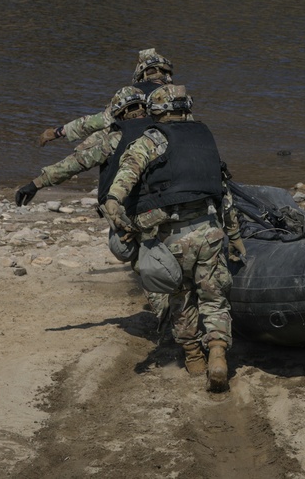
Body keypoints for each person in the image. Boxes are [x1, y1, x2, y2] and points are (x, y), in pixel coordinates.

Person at [101, 84, 237, 392]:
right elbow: (223, 189)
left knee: (180, 297)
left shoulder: (153, 139)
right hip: (210, 231)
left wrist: (113, 199)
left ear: (156, 111)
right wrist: (235, 233)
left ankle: (193, 358)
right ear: (186, 107)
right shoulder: (204, 137)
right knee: (214, 297)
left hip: (173, 237)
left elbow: (129, 169)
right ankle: (217, 352)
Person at [15, 85, 172, 322]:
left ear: (119, 112)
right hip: (169, 204)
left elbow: (75, 163)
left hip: (132, 211)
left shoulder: (113, 139)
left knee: (136, 255)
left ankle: (165, 314)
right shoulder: (166, 132)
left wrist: (35, 184)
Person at [37, 48, 174, 147]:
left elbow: (98, 121)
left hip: (137, 149)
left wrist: (58, 132)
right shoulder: (177, 95)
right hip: (171, 148)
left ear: (141, 72)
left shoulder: (131, 93)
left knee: (101, 136)